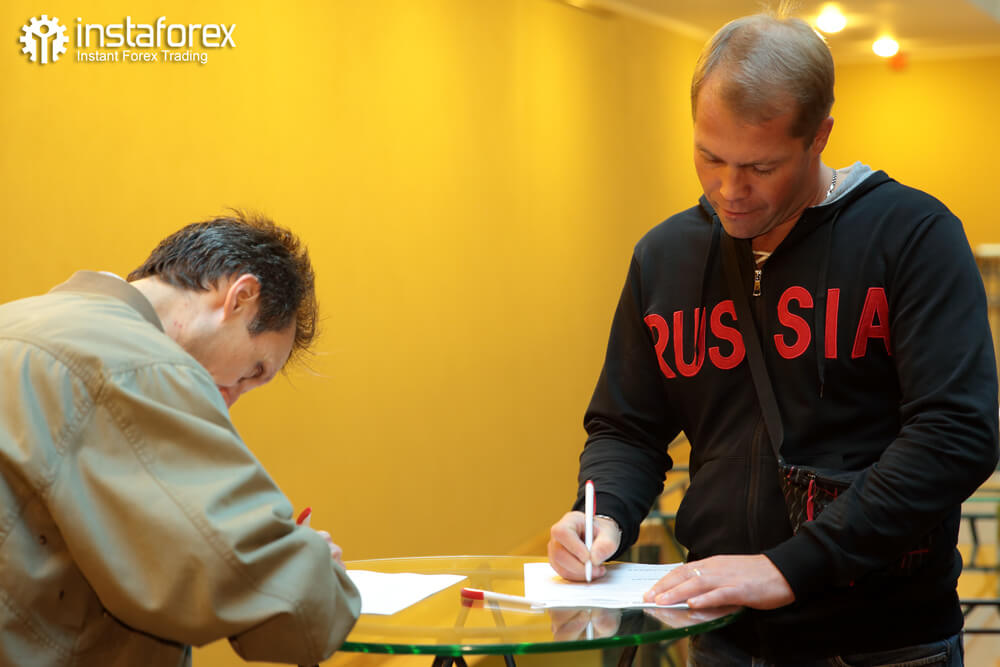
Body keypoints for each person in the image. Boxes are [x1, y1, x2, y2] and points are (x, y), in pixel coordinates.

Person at [548, 11, 999, 666]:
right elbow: (628, 428)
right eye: (710, 157)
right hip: (723, 635)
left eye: (760, 166)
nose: (730, 191)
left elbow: (955, 434)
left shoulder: (912, 236)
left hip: (882, 640)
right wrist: (603, 513)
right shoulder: (665, 257)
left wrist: (789, 567)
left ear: (819, 136)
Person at [0, 212, 361, 666]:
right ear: (240, 297)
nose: (231, 398)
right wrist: (317, 570)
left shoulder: (16, 323)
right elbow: (282, 603)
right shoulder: (138, 362)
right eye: (252, 371)